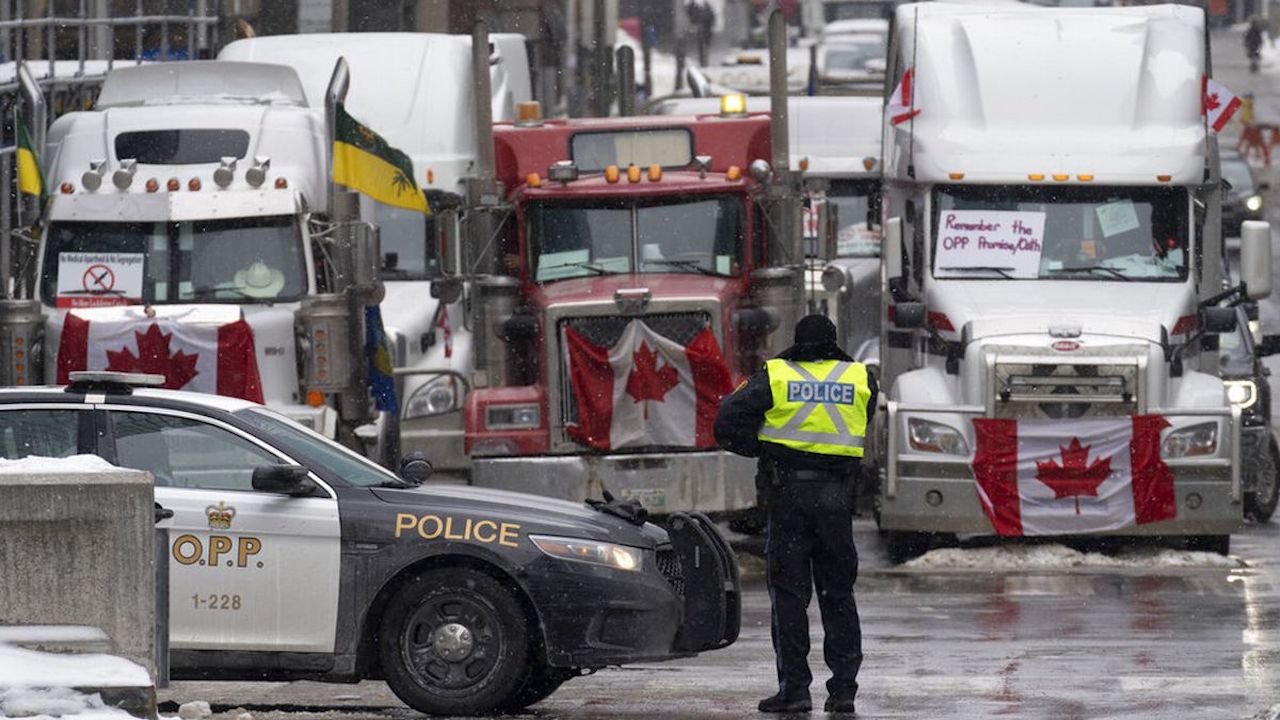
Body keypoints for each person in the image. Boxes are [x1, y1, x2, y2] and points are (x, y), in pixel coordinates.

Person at [714, 314, 877, 714]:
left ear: (797, 340)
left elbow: (726, 421)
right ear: (834, 343)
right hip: (837, 501)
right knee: (838, 596)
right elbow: (862, 419)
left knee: (789, 597)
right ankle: (843, 692)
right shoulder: (860, 377)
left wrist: (764, 448)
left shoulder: (777, 375)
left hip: (788, 498)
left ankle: (795, 690)